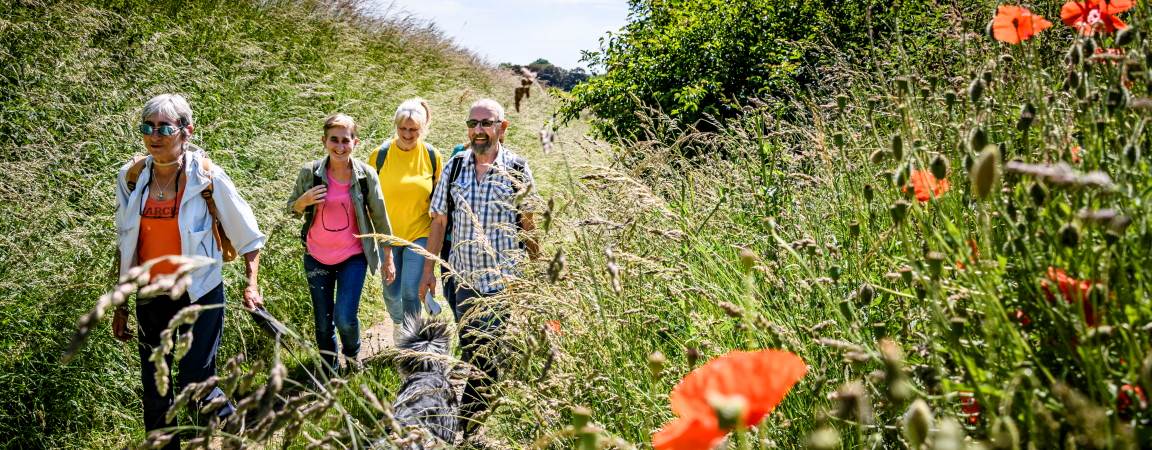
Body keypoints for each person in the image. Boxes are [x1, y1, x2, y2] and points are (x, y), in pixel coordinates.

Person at [111, 93, 266, 449]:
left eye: (164, 127)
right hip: (151, 295)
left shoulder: (208, 177)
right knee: (155, 384)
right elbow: (125, 243)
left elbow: (248, 235)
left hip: (201, 293)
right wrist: (121, 303)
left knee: (195, 376)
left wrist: (251, 284)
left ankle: (228, 420)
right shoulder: (131, 177)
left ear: (187, 131)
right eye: (147, 127)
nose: (155, 135)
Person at [418, 98, 540, 435]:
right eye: (473, 124)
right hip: (461, 279)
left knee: (488, 356)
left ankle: (467, 429)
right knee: (473, 348)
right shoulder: (455, 167)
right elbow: (439, 221)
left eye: (486, 123)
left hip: (502, 282)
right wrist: (428, 272)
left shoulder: (516, 168)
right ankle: (468, 422)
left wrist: (538, 272)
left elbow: (528, 224)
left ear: (503, 128)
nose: (478, 130)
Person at [288, 113, 395, 374]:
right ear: (324, 141)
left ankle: (353, 356)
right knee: (323, 323)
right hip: (316, 255)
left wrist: (388, 258)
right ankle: (330, 368)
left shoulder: (365, 176)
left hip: (353, 256)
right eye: (333, 140)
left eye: (345, 140)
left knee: (344, 318)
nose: (339, 146)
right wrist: (303, 201)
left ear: (355, 142)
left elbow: (380, 217)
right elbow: (292, 209)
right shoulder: (310, 173)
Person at [367, 99, 442, 339]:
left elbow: (439, 195)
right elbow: (367, 195)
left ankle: (412, 339)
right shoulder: (379, 155)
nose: (408, 134)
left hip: (419, 233)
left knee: (411, 289)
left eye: (413, 129)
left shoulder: (432, 156)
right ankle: (398, 322)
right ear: (396, 126)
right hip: (386, 235)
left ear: (422, 129)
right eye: (403, 128)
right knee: (390, 290)